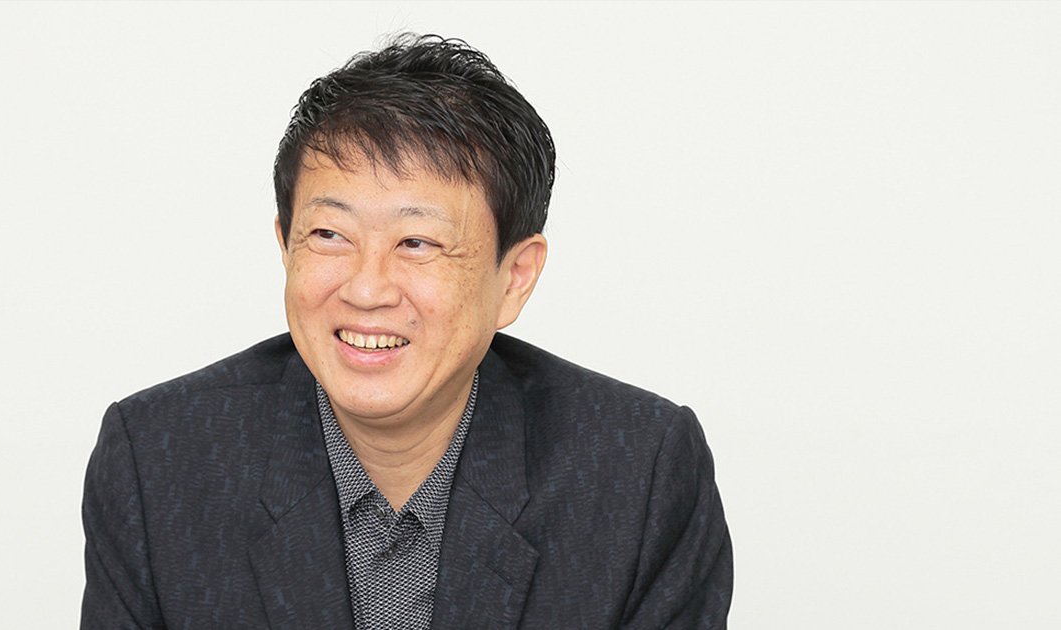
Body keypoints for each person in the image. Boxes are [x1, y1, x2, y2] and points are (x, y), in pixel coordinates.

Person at [81, 33, 732, 629]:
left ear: (514, 278)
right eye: (329, 234)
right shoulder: (159, 461)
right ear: (285, 245)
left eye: (417, 242)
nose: (366, 289)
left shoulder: (637, 474)